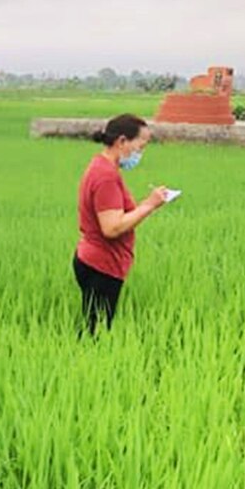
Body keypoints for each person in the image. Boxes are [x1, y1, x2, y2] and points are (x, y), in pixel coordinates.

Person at [74, 114, 168, 335]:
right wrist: (149, 205)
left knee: (93, 327)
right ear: (122, 141)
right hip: (102, 265)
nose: (140, 153)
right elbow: (112, 227)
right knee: (95, 333)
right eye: (140, 146)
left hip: (96, 260)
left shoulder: (101, 166)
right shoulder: (105, 176)